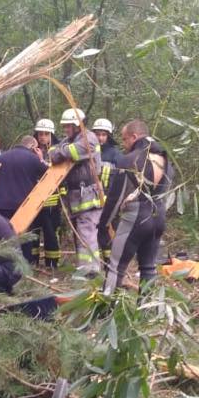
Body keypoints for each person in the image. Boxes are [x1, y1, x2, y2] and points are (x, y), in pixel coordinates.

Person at [100, 120, 171, 295]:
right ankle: (146, 312)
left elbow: (115, 198)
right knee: (148, 266)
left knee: (115, 266)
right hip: (159, 216)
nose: (124, 145)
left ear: (134, 136)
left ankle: (104, 310)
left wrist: (103, 225)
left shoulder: (130, 160)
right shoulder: (167, 160)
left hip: (137, 217)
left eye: (125, 140)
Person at [49, 108, 103, 277]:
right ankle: (84, 268)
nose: (65, 130)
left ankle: (90, 270)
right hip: (77, 197)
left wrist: (62, 150)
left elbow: (71, 152)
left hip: (88, 194)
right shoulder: (71, 139)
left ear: (77, 125)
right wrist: (60, 150)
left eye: (68, 126)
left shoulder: (89, 139)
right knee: (80, 232)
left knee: (87, 232)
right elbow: (52, 153)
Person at [0, 135, 46, 263]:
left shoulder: (1, 157)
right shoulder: (33, 158)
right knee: (24, 237)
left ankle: (6, 263)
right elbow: (47, 175)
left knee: (4, 235)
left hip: (2, 205)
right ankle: (24, 266)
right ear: (33, 147)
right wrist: (41, 159)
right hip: (24, 205)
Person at [32, 118, 63, 267]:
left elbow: (53, 173)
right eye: (40, 134)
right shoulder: (32, 151)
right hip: (35, 199)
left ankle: (52, 263)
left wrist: (40, 160)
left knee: (51, 232)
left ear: (52, 135)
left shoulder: (58, 151)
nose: (42, 137)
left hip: (52, 200)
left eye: (46, 134)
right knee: (34, 231)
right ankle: (33, 260)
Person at [92, 117, 120, 263]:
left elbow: (121, 177)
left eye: (103, 134)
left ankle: (111, 260)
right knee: (95, 230)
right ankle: (100, 259)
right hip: (91, 198)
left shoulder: (115, 153)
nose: (100, 138)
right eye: (98, 134)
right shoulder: (88, 151)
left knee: (108, 229)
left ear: (108, 135)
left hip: (110, 198)